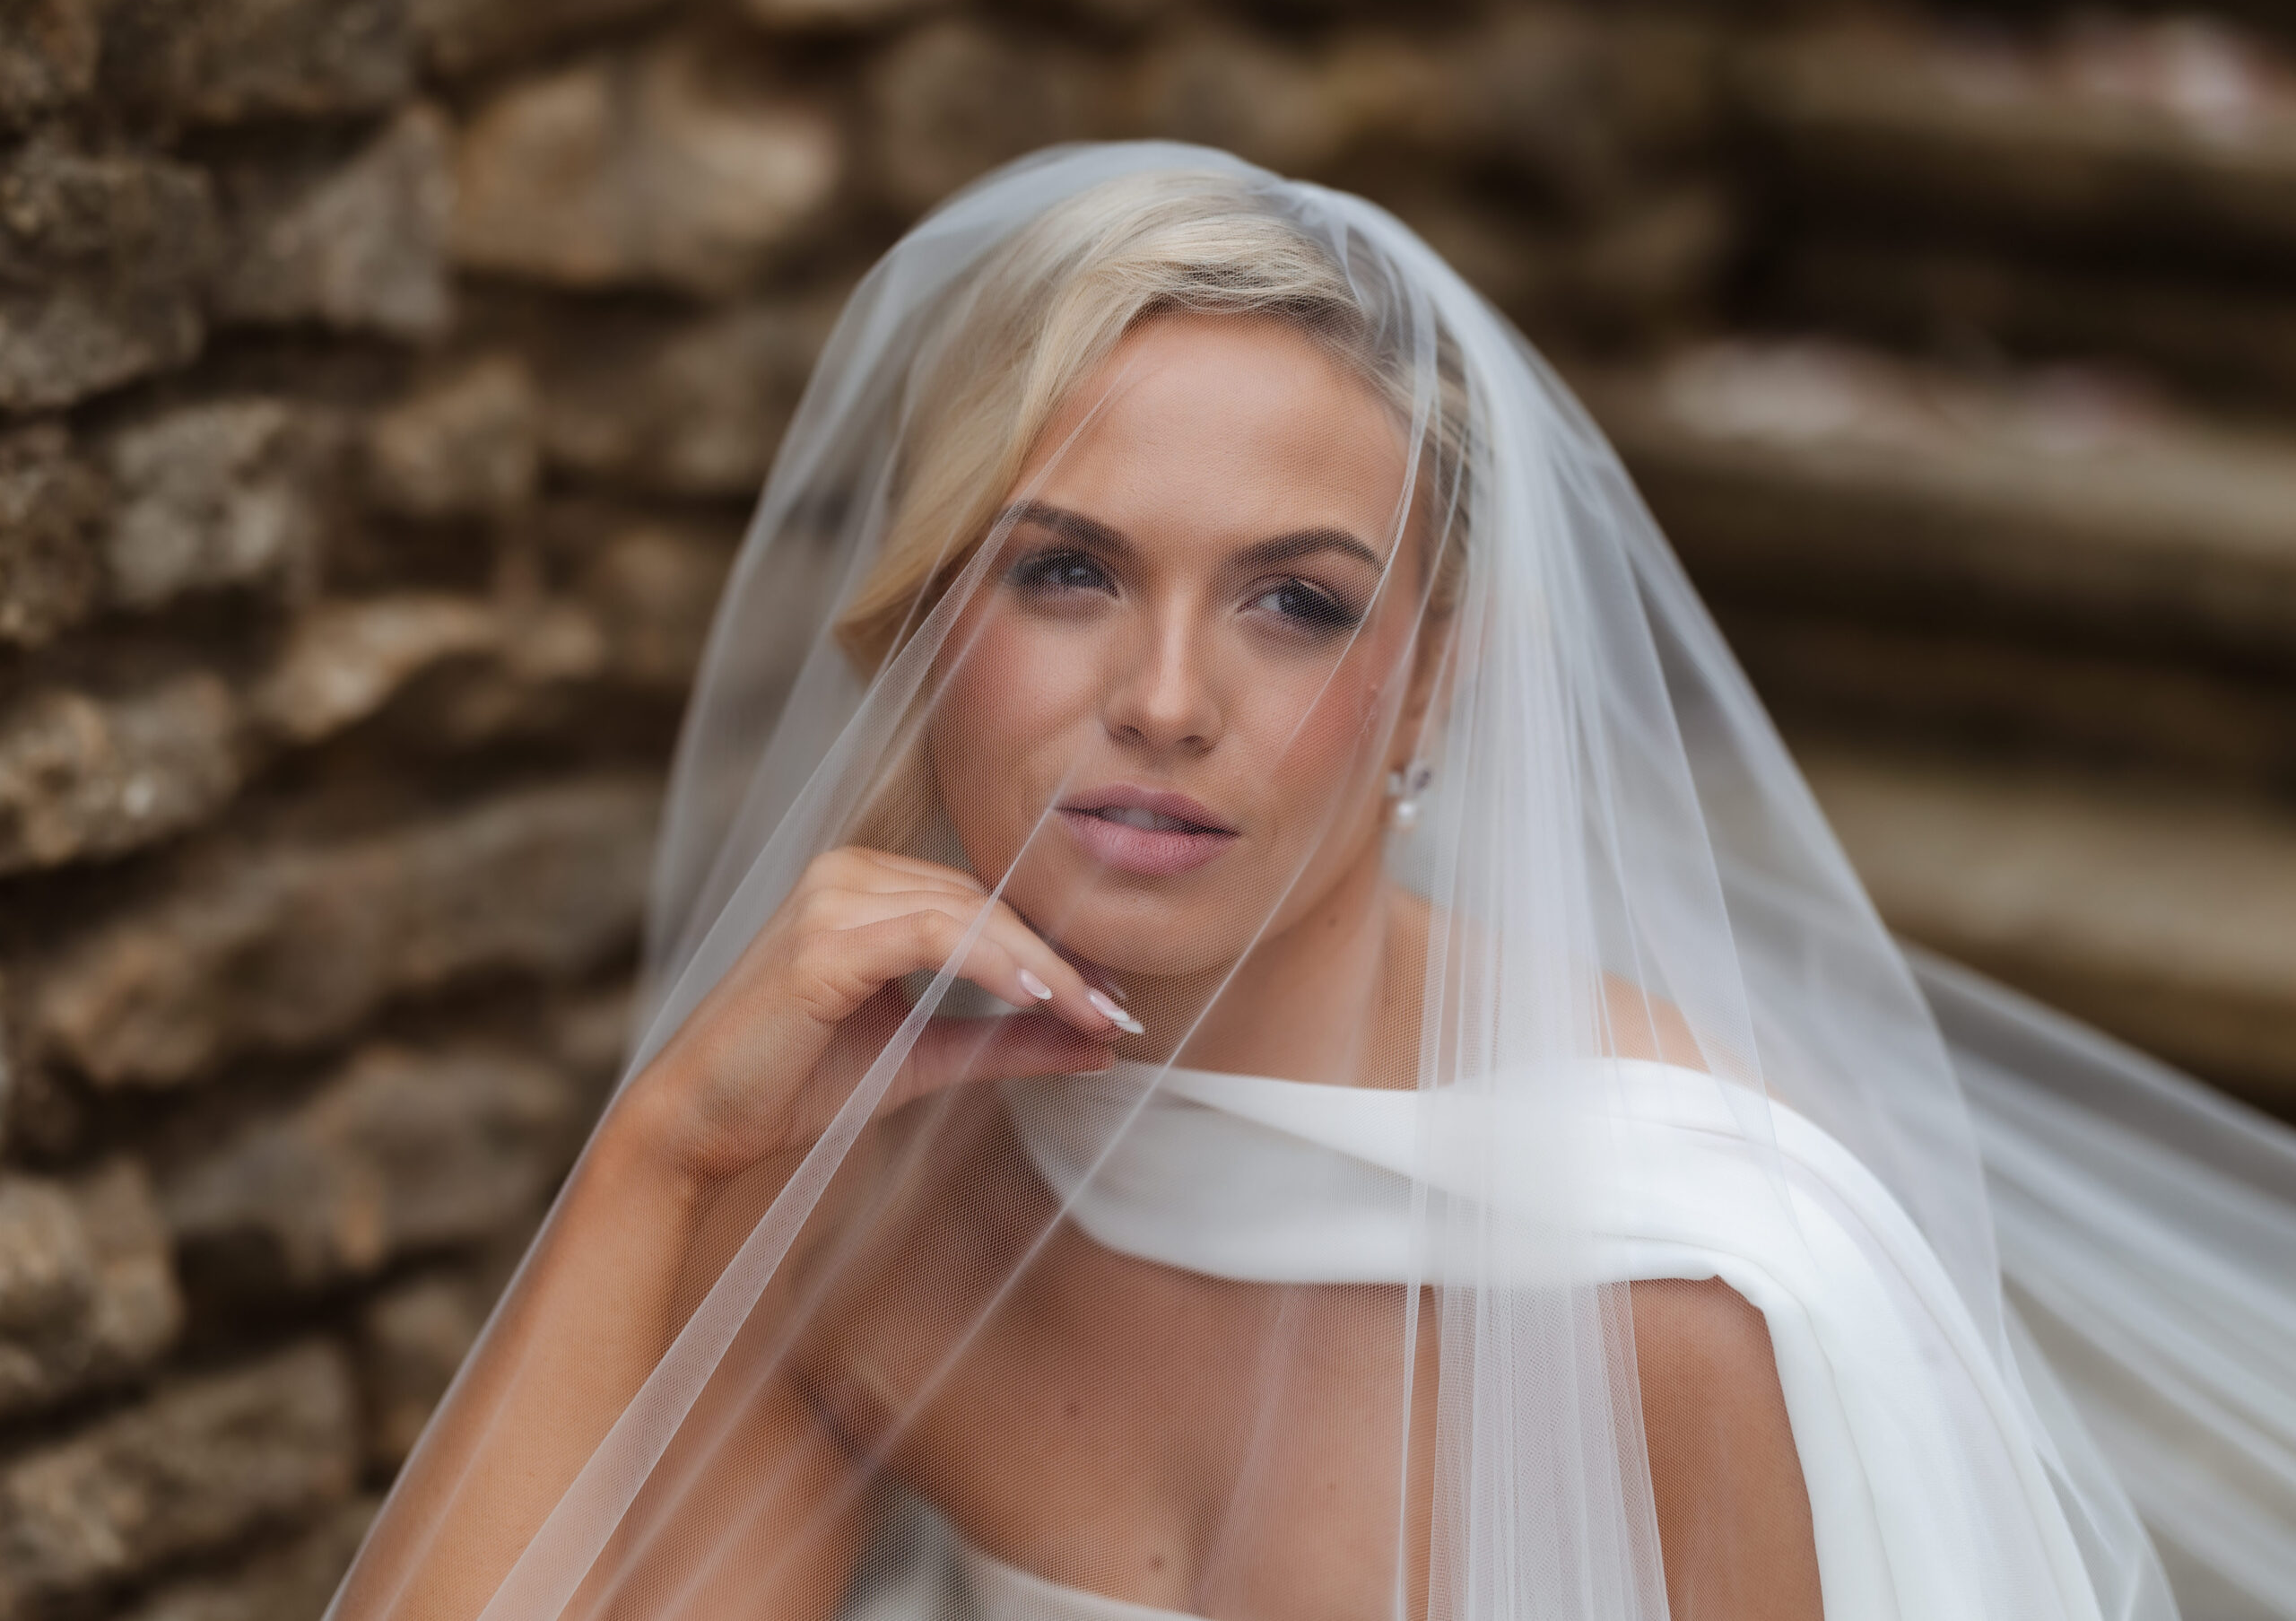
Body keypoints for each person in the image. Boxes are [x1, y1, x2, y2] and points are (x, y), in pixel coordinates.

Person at [326, 145, 2294, 1621]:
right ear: (931, 623)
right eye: (1065, 570)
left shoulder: (1682, 1287)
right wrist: (661, 1151)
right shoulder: (876, 1206)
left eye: (1294, 604)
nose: (1164, 701)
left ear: (1432, 678)